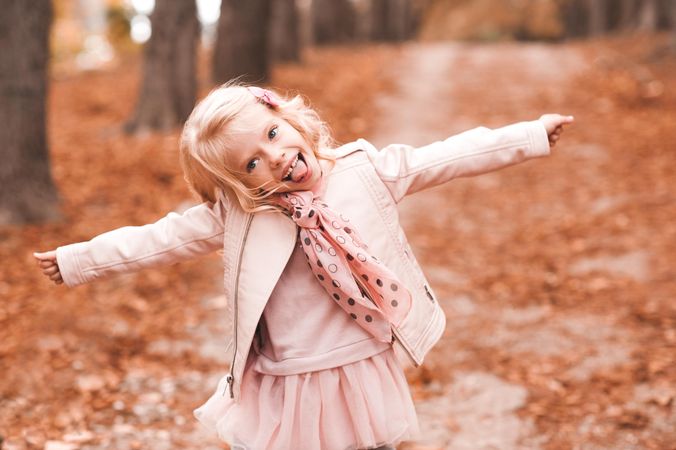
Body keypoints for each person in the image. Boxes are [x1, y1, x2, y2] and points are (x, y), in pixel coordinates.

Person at [34, 82, 574, 450]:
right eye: (251, 164)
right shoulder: (242, 216)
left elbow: (446, 157)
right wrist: (77, 259)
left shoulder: (364, 171)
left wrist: (526, 136)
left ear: (288, 119)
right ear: (237, 184)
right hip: (288, 382)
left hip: (360, 368)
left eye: (272, 136)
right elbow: (157, 240)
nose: (274, 158)